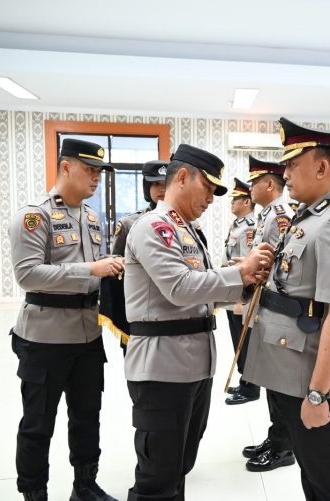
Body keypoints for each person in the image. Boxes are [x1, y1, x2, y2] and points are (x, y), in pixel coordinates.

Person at [122, 144, 274, 501]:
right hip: (161, 369)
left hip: (193, 367)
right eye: (207, 188)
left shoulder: (187, 231)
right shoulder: (154, 227)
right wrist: (240, 271)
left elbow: (204, 295)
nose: (210, 198)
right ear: (181, 177)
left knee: (179, 465)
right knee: (157, 477)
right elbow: (179, 287)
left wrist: (246, 285)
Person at [243, 117, 330, 500]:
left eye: (292, 165)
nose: (285, 175)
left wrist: (317, 394)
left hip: (315, 378)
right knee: (313, 475)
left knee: (329, 480)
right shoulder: (307, 215)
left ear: (321, 167)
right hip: (292, 369)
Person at [9, 138, 122, 501]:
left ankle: (85, 485)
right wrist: (91, 268)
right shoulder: (35, 215)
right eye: (89, 170)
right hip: (45, 338)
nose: (95, 178)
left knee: (87, 416)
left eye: (99, 173)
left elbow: (95, 272)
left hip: (87, 336)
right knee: (38, 424)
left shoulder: (91, 217)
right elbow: (28, 275)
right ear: (66, 167)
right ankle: (33, 492)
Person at [238, 155, 297, 472]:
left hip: (278, 307)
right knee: (271, 380)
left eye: (253, 182)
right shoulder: (265, 215)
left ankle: (284, 446)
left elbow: (283, 264)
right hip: (264, 303)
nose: (249, 188)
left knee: (280, 381)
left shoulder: (281, 215)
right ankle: (276, 436)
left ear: (269, 184)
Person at [100, 160, 168, 354]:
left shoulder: (186, 224)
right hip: (140, 310)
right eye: (156, 184)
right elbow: (116, 263)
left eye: (165, 184)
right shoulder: (129, 223)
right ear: (147, 187)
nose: (161, 189)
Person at [222, 177, 258, 404]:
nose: (231, 203)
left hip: (240, 296)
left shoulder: (250, 229)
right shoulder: (237, 226)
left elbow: (248, 267)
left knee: (246, 342)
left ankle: (251, 387)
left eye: (235, 199)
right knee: (239, 342)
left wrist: (241, 300)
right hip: (231, 293)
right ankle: (245, 381)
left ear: (246, 202)